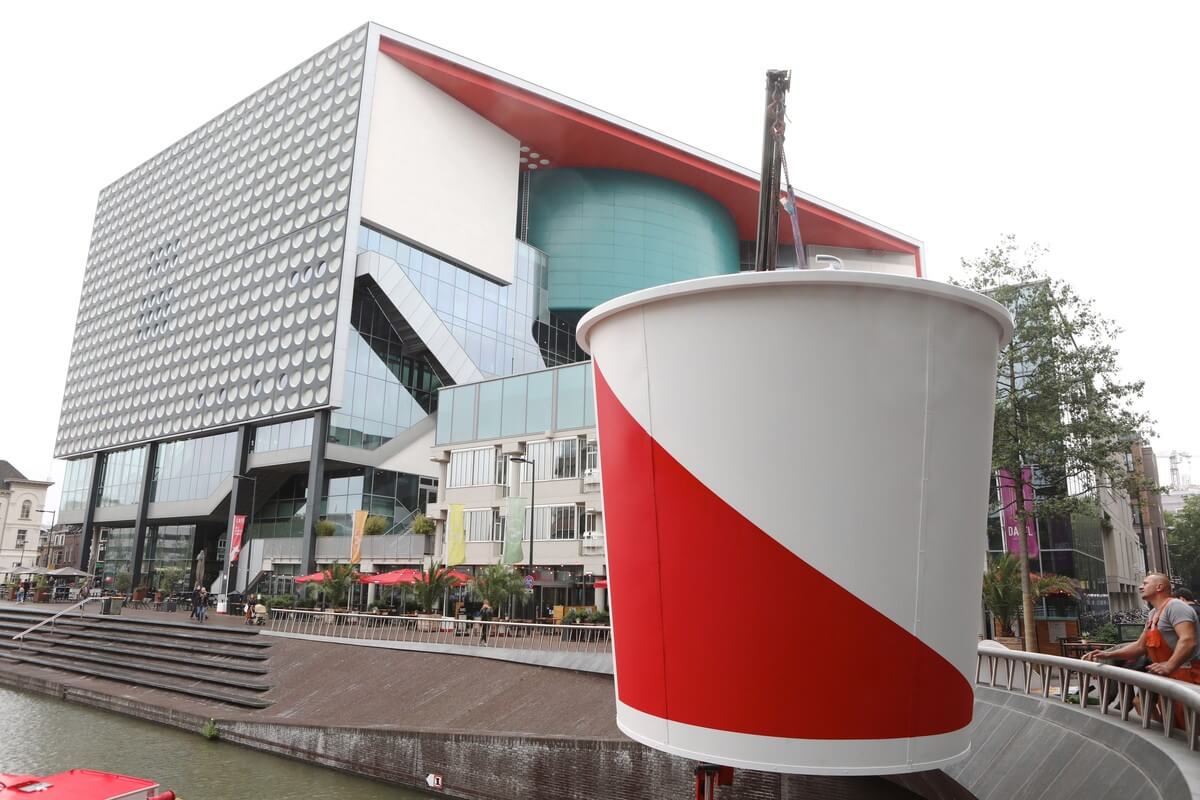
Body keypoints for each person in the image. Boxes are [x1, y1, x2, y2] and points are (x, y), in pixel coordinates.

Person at [1085, 573, 1200, 725]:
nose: (1140, 587)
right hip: (1167, 677)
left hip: (1187, 675)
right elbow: (1140, 646)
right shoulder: (1153, 614)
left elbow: (1188, 640)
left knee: (1190, 724)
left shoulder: (1176, 607)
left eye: (1145, 583)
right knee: (1171, 723)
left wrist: (1170, 664)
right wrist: (1107, 654)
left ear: (1159, 587)